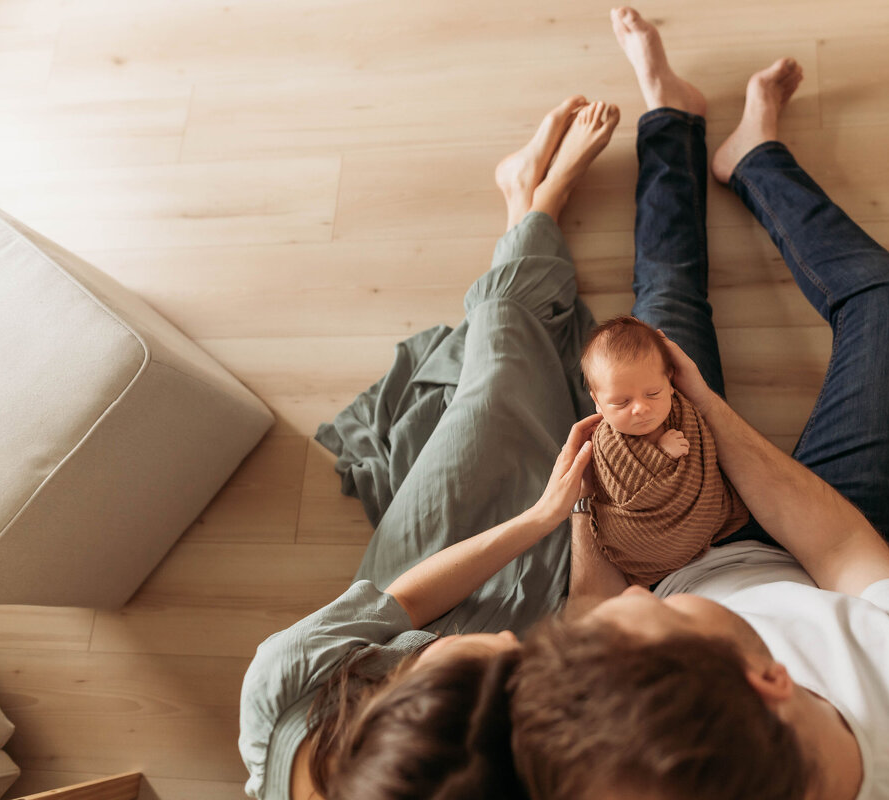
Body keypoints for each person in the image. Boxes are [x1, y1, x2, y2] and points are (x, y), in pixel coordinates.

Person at [509, 8, 889, 800]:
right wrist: (704, 406)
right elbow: (839, 554)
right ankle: (758, 157)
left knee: (662, 306)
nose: (629, 598)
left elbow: (599, 607)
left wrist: (589, 505)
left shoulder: (638, 752)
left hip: (680, 544)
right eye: (657, 616)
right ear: (770, 677)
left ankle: (671, 115)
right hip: (840, 568)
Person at [237, 97, 620, 800]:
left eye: (489, 665)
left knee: (494, 391)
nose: (513, 649)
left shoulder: (282, 683)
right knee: (585, 470)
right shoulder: (484, 762)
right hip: (522, 618)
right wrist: (569, 527)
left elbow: (404, 602)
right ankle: (522, 204)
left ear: (399, 710)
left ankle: (537, 199)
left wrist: (538, 518)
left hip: (411, 572)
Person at [579, 314, 748, 586]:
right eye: (621, 402)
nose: (641, 408)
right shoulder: (606, 442)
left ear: (670, 382)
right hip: (643, 542)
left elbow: (707, 453)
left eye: (653, 393)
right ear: (597, 401)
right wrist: (663, 455)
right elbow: (624, 490)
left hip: (705, 521)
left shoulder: (683, 411)